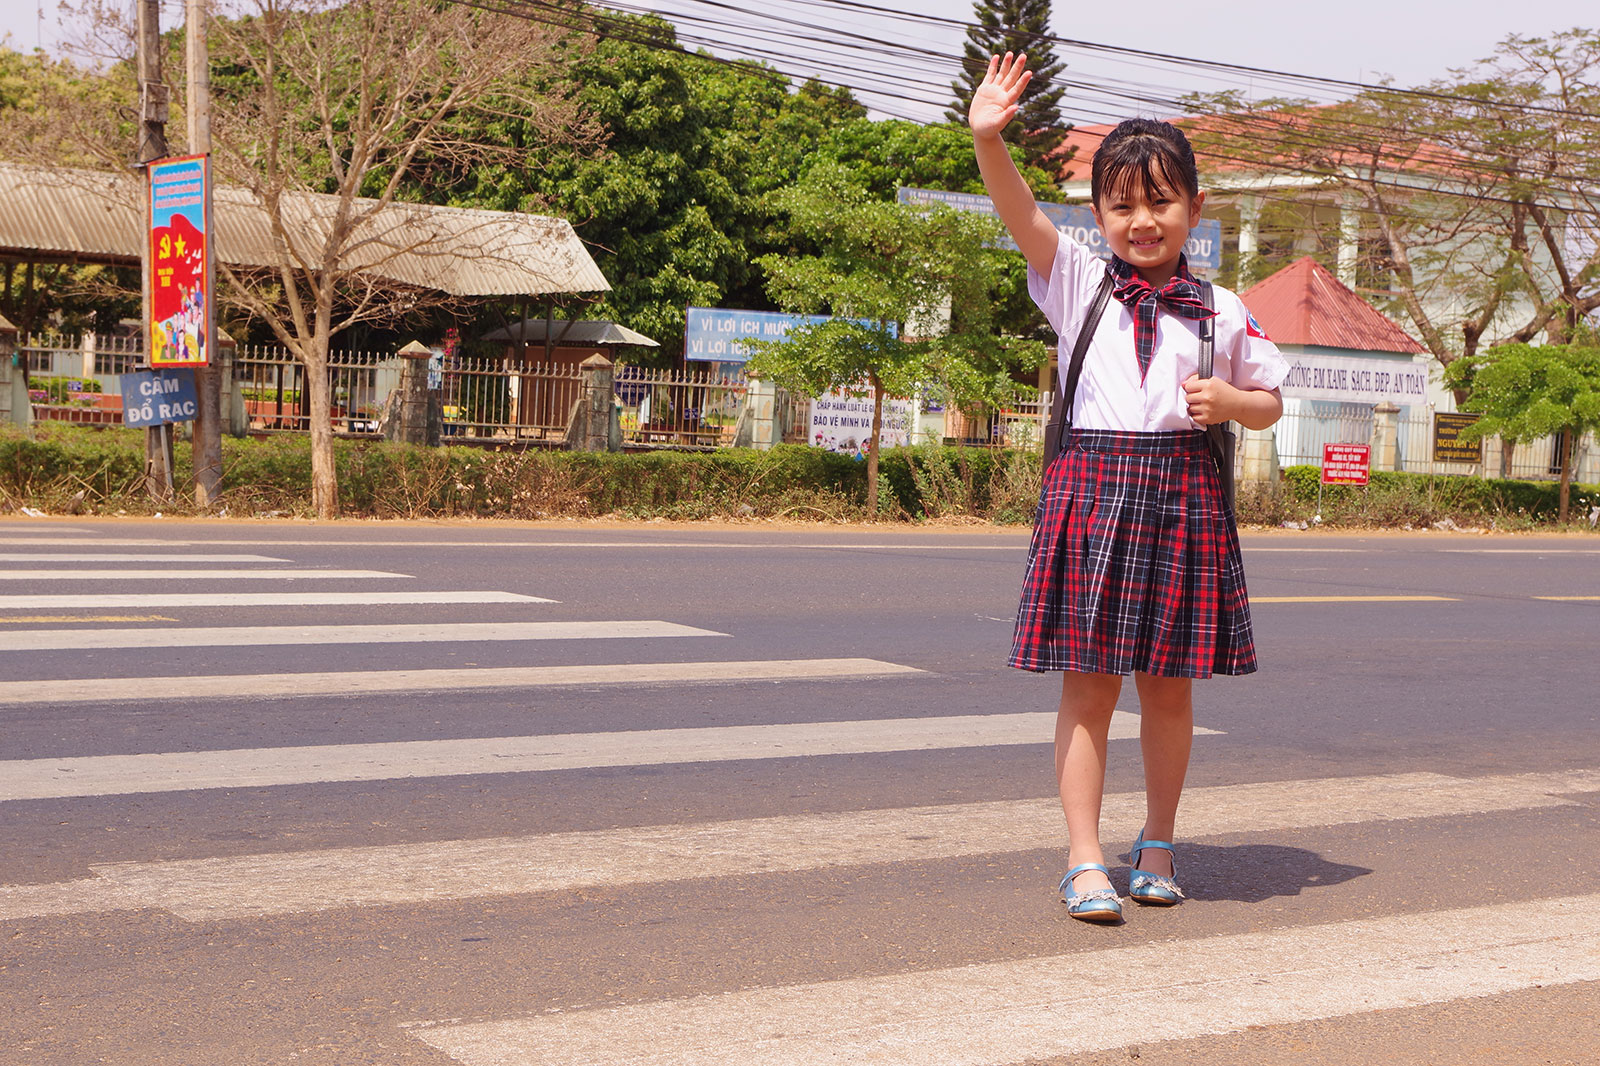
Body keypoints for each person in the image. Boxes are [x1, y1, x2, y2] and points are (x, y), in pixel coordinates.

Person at [969, 53, 1288, 923]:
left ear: (1193, 206)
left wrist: (1230, 403)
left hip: (1184, 494)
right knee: (1088, 686)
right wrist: (988, 137)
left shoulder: (1224, 308)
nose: (1141, 220)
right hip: (1092, 489)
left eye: (1160, 201)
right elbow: (1018, 210)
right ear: (1100, 212)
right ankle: (1083, 859)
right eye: (1122, 204)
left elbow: (1268, 400)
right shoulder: (1076, 281)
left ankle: (1156, 843)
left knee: (1170, 688)